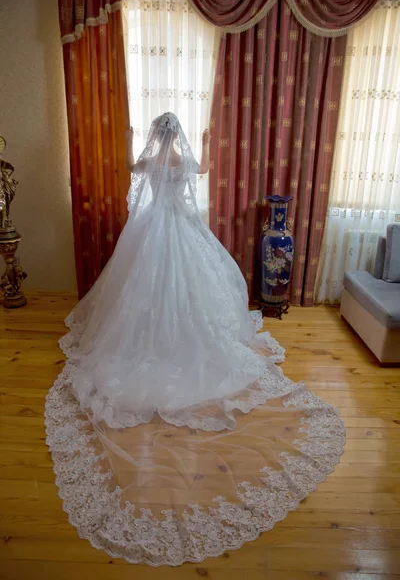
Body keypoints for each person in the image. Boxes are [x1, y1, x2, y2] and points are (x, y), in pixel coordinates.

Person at [45, 112, 345, 566]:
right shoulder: (183, 160)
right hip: (179, 229)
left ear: (155, 135)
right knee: (190, 289)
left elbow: (132, 171)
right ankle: (174, 341)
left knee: (145, 293)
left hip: (153, 234)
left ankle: (149, 342)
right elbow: (201, 172)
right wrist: (204, 142)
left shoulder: (152, 161)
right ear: (177, 135)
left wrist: (129, 142)